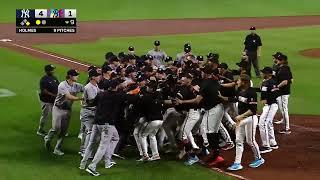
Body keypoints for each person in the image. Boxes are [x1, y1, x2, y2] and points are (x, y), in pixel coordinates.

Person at [81, 79, 136, 176]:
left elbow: (91, 103)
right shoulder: (118, 95)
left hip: (96, 122)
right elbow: (132, 98)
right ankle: (92, 166)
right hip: (107, 124)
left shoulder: (101, 94)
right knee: (103, 145)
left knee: (109, 139)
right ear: (115, 87)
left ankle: (84, 163)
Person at [177, 65, 225, 167]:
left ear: (205, 73)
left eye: (203, 72)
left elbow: (197, 100)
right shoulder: (213, 80)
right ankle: (211, 153)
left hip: (211, 110)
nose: (201, 73)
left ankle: (197, 156)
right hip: (216, 108)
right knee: (206, 133)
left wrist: (182, 101)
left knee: (207, 133)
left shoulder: (205, 83)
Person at [224, 74, 264, 171]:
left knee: (250, 141)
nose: (237, 82)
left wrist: (240, 116)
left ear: (244, 82)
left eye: (238, 81)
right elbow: (234, 99)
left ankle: (259, 158)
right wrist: (220, 97)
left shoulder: (251, 93)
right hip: (241, 119)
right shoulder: (240, 91)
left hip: (250, 119)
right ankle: (237, 163)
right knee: (238, 141)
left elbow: (253, 110)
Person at [44, 69, 84, 156]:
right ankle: (48, 138)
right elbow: (69, 97)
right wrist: (81, 99)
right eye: (75, 75)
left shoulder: (77, 86)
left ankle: (57, 148)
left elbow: (86, 90)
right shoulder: (62, 85)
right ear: (70, 76)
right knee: (56, 127)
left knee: (63, 131)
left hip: (67, 109)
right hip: (58, 108)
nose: (77, 76)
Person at [139, 81, 164, 161]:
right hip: (160, 120)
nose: (147, 87)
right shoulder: (159, 95)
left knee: (142, 135)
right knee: (152, 136)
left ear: (151, 88)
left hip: (152, 120)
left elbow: (142, 109)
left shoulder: (146, 97)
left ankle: (145, 155)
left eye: (148, 86)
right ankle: (156, 155)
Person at [79, 69, 101, 156]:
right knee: (90, 131)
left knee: (89, 131)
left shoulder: (95, 85)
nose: (99, 77)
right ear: (92, 77)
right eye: (97, 76)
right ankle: (85, 151)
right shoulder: (88, 87)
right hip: (87, 112)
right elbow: (92, 100)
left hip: (92, 111)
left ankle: (84, 150)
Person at [258, 67, 279, 153]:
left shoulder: (266, 83)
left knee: (262, 124)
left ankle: (266, 146)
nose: (262, 74)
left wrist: (266, 101)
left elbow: (264, 96)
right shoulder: (274, 82)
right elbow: (276, 93)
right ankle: (273, 142)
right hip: (273, 104)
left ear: (268, 74)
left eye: (264, 73)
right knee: (269, 122)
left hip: (270, 105)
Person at [37, 64, 59, 136]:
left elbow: (59, 87)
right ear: (48, 71)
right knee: (45, 115)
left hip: (53, 101)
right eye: (52, 70)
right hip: (46, 101)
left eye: (53, 69)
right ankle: (40, 130)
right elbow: (44, 91)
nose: (53, 71)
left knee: (56, 115)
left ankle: (55, 130)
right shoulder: (44, 79)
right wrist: (53, 95)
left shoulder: (54, 78)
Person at [274, 54, 293, 134]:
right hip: (282, 92)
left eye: (277, 59)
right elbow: (291, 80)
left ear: (282, 61)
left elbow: (285, 81)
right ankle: (283, 121)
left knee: (284, 109)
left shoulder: (283, 70)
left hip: (283, 93)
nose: (275, 60)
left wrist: (277, 87)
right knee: (282, 109)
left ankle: (287, 128)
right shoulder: (285, 68)